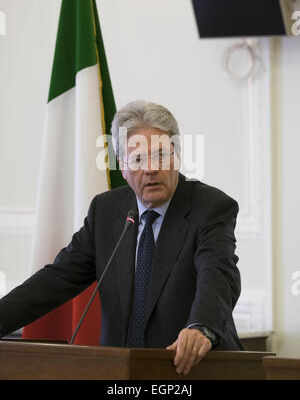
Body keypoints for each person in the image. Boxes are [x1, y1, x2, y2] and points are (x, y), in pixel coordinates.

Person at [0, 100, 243, 376]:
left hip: (191, 370)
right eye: (137, 159)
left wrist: (201, 326)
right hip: (119, 372)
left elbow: (218, 273)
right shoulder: (106, 211)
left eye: (160, 155)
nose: (150, 168)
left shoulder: (209, 207)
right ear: (122, 168)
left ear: (177, 156)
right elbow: (56, 279)